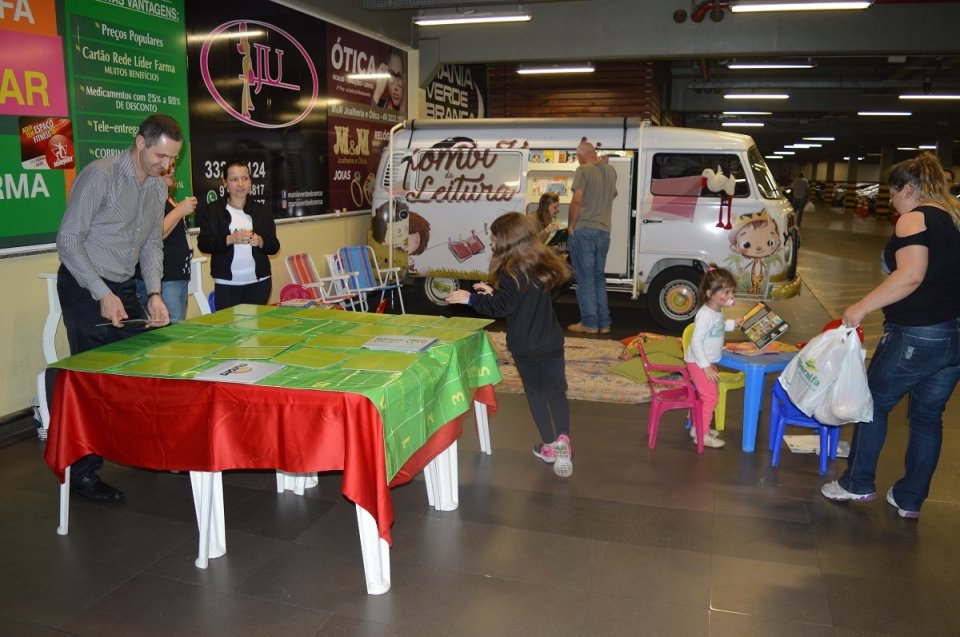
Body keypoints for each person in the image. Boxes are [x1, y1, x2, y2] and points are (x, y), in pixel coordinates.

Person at [821, 152, 960, 519]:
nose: (893, 202)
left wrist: (862, 306)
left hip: (918, 334)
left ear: (910, 190)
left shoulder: (915, 219)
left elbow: (911, 275)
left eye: (894, 194)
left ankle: (856, 483)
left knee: (872, 404)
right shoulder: (955, 218)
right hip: (953, 337)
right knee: (928, 417)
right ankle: (910, 499)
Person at [52, 114, 183, 502]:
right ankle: (83, 473)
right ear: (139, 143)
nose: (167, 166)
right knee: (91, 380)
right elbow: (68, 240)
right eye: (161, 156)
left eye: (172, 159)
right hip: (83, 283)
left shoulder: (157, 188)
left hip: (124, 285)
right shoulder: (100, 176)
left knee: (142, 362)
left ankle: (136, 448)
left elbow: (151, 246)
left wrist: (155, 293)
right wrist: (99, 292)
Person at [447, 212, 575, 477]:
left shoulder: (509, 270)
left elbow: (503, 307)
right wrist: (496, 292)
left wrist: (469, 298)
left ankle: (549, 445)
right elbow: (522, 298)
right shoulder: (541, 262)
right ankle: (564, 439)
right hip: (551, 341)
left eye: (494, 239)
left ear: (507, 240)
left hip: (525, 346)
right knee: (556, 391)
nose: (492, 243)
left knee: (537, 393)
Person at [197, 160, 280, 309]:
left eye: (245, 178)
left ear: (250, 182)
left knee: (255, 330)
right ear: (225, 183)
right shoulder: (213, 210)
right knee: (230, 331)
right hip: (227, 284)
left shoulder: (262, 211)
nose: (240, 184)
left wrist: (261, 241)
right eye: (234, 179)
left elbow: (274, 246)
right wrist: (230, 239)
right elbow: (203, 244)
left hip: (259, 283)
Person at [684, 265, 742, 449]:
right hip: (699, 362)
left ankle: (698, 427)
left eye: (732, 292)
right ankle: (702, 435)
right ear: (710, 293)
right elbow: (695, 342)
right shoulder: (705, 315)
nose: (731, 296)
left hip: (706, 362)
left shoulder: (717, 310)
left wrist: (734, 324)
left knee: (709, 396)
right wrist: (706, 366)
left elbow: (720, 325)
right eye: (726, 292)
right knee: (710, 398)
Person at [134, 160, 198, 322]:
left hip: (177, 277)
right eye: (165, 166)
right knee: (169, 338)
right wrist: (179, 211)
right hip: (163, 280)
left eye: (173, 165)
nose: (170, 170)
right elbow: (154, 235)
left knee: (175, 333)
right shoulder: (147, 197)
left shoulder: (167, 197)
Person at [567, 140, 617, 335]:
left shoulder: (583, 170)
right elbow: (614, 193)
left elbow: (576, 201)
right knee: (598, 278)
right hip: (604, 231)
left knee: (585, 279)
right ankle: (604, 323)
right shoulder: (610, 170)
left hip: (585, 230)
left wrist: (571, 226)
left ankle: (588, 323)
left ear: (580, 156)